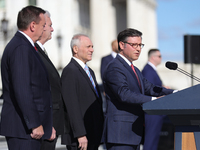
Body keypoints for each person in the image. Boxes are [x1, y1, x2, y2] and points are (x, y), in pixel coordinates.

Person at [102, 28, 175, 150]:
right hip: (121, 135)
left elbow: (150, 87)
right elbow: (124, 94)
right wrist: (154, 100)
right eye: (134, 45)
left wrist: (174, 92)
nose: (138, 49)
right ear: (121, 45)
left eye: (140, 45)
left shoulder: (134, 69)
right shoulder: (115, 67)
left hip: (133, 133)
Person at [0, 5, 55, 150]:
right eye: (43, 25)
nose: (45, 29)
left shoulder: (26, 46)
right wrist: (35, 123)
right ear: (32, 26)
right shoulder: (21, 48)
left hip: (27, 128)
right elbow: (22, 88)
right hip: (23, 129)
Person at [61, 34, 104, 150]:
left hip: (93, 133)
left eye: (92, 46)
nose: (92, 50)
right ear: (75, 49)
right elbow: (72, 105)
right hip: (80, 138)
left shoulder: (89, 71)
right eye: (88, 46)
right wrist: (80, 134)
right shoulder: (70, 71)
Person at [35, 11, 65, 150]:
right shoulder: (33, 52)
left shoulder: (41, 51)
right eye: (50, 25)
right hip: (45, 125)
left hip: (51, 124)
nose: (52, 29)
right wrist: (45, 124)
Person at [141, 49, 169, 150]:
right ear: (153, 57)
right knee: (150, 141)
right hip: (152, 112)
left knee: (154, 140)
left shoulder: (151, 70)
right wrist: (163, 91)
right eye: (159, 56)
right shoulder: (148, 70)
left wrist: (162, 87)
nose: (161, 58)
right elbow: (149, 89)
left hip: (156, 111)